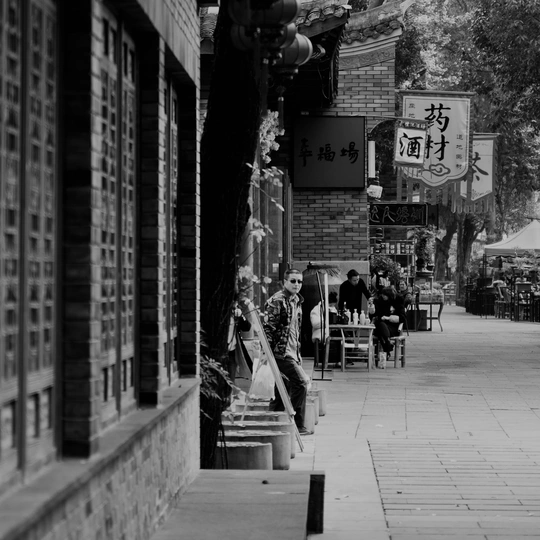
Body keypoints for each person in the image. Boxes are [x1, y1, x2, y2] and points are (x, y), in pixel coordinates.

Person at [263, 268, 312, 436]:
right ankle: (296, 423)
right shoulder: (277, 301)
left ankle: (272, 423)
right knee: (301, 383)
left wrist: (298, 354)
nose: (297, 284)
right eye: (293, 281)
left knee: (282, 388)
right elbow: (268, 329)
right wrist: (267, 353)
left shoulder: (297, 300)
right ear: (285, 282)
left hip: (292, 352)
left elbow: (295, 329)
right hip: (280, 352)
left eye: (299, 281)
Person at [368, 286, 406, 369]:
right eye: (382, 294)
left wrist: (388, 318)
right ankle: (388, 345)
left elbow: (402, 318)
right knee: (381, 325)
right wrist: (371, 305)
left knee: (381, 327)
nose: (383, 296)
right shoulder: (379, 301)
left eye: (385, 295)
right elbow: (373, 314)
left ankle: (387, 347)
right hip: (380, 326)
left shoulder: (398, 301)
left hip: (392, 327)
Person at [310, 291, 339, 366]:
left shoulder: (333, 309)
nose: (332, 307)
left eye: (333, 305)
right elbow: (315, 323)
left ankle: (342, 360)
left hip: (331, 331)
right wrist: (326, 322)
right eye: (330, 305)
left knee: (343, 336)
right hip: (320, 332)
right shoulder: (316, 309)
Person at [227, 301, 252, 384]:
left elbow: (247, 327)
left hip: (232, 351)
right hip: (220, 350)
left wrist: (241, 316)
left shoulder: (235, 313)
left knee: (230, 380)